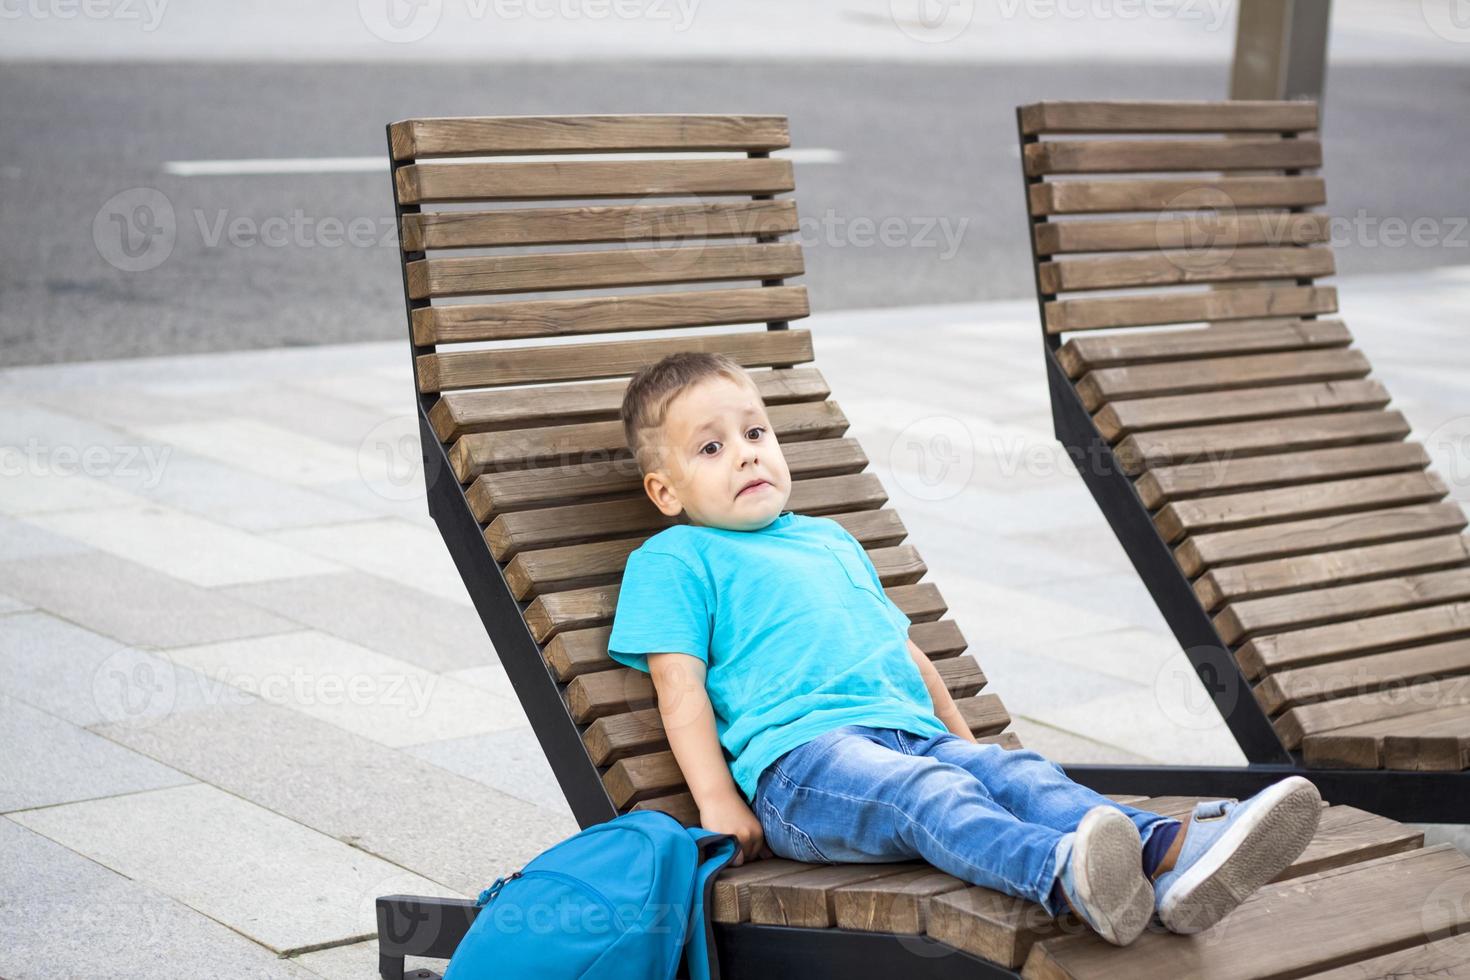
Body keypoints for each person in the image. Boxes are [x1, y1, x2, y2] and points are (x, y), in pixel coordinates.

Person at [606, 351, 1321, 945]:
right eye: (712, 447)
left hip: (907, 735)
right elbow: (680, 687)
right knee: (931, 791)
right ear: (665, 491)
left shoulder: (828, 540)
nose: (746, 455)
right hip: (804, 770)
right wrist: (715, 800)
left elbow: (906, 652)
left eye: (756, 433)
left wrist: (969, 746)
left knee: (1019, 777)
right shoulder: (677, 558)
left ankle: (1169, 856)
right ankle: (1064, 874)